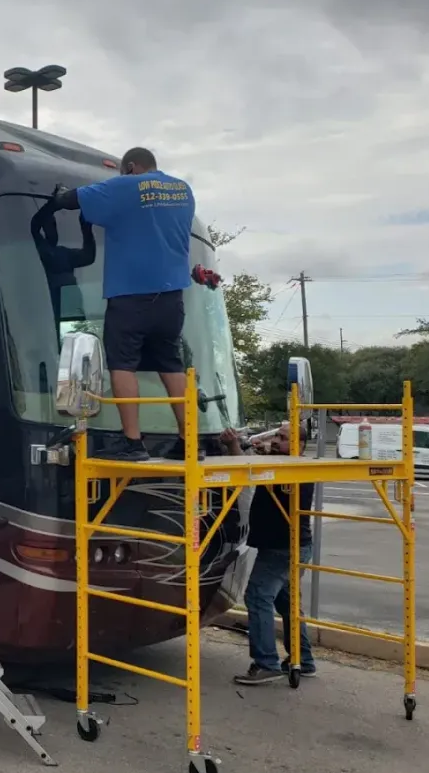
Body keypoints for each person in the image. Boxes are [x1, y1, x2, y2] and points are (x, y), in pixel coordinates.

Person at [32, 147, 196, 461]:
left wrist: (59, 196)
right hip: (173, 298)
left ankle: (133, 443)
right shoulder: (183, 190)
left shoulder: (124, 186)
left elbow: (71, 199)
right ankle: (189, 440)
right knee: (171, 363)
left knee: (123, 364)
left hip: (131, 296)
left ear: (131, 167)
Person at [220, 421, 318, 685]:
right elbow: (247, 467)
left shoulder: (292, 467)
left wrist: (242, 448)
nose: (276, 441)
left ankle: (266, 663)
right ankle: (303, 659)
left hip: (281, 548)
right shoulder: (283, 462)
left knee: (257, 596)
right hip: (290, 545)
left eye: (284, 438)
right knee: (287, 603)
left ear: (299, 444)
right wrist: (237, 446)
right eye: (277, 435)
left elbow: (247, 470)